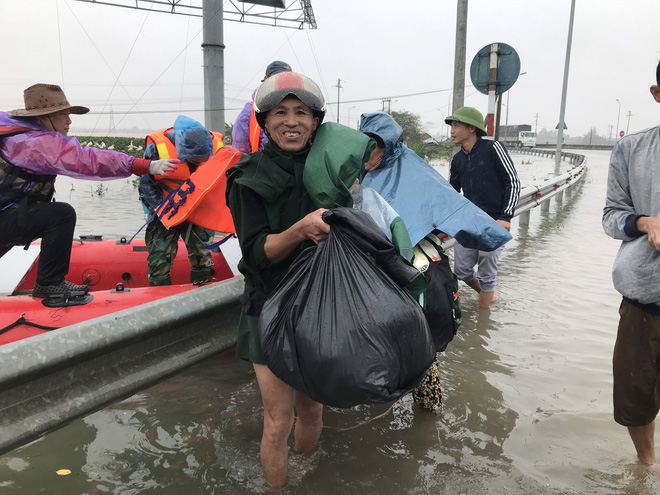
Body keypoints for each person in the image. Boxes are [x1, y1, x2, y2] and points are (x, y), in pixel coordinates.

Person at [225, 70, 327, 488]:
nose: (291, 121)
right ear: (264, 122)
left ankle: (308, 480)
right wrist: (301, 230)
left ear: (315, 122)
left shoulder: (329, 169)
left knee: (314, 410)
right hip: (267, 306)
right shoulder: (247, 176)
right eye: (280, 112)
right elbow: (254, 253)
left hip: (317, 306)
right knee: (278, 419)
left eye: (301, 112)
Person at [0, 83, 177, 297]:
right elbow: (86, 160)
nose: (69, 121)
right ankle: (49, 284)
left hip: (6, 214)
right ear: (45, 117)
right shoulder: (33, 144)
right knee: (61, 215)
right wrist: (142, 165)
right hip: (5, 216)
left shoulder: (15, 133)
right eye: (63, 115)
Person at [602, 60, 660, 465]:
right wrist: (643, 221)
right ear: (658, 94)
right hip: (643, 301)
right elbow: (611, 215)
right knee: (635, 397)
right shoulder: (631, 149)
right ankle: (647, 467)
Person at [445, 106, 520, 309]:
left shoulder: (493, 149)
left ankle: (483, 320)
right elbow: (452, 193)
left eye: (456, 125)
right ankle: (489, 297)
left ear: (472, 128)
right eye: (452, 126)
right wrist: (443, 221)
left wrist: (505, 216)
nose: (452, 131)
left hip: (493, 221)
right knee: (462, 271)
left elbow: (512, 182)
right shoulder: (457, 159)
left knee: (487, 274)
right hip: (469, 221)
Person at [138, 115, 223, 286]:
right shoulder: (157, 148)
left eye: (203, 160)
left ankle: (202, 287)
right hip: (165, 210)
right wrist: (160, 210)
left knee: (202, 255)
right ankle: (160, 292)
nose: (199, 163)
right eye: (195, 161)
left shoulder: (217, 146)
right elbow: (146, 185)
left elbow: (223, 181)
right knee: (159, 260)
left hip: (199, 209)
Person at [231, 60, 292, 153]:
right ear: (266, 79)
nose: (282, 83)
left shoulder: (298, 106)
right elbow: (240, 150)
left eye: (287, 79)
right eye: (277, 79)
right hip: (259, 160)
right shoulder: (249, 113)